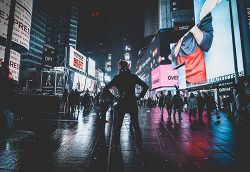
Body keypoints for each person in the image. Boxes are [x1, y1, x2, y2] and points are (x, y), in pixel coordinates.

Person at [102, 60, 149, 153]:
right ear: (128, 66)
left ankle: (116, 146)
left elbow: (105, 89)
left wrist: (115, 98)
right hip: (132, 102)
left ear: (120, 67)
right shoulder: (132, 76)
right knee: (136, 125)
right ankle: (140, 146)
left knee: (118, 125)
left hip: (121, 102)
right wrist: (139, 97)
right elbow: (146, 86)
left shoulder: (117, 77)